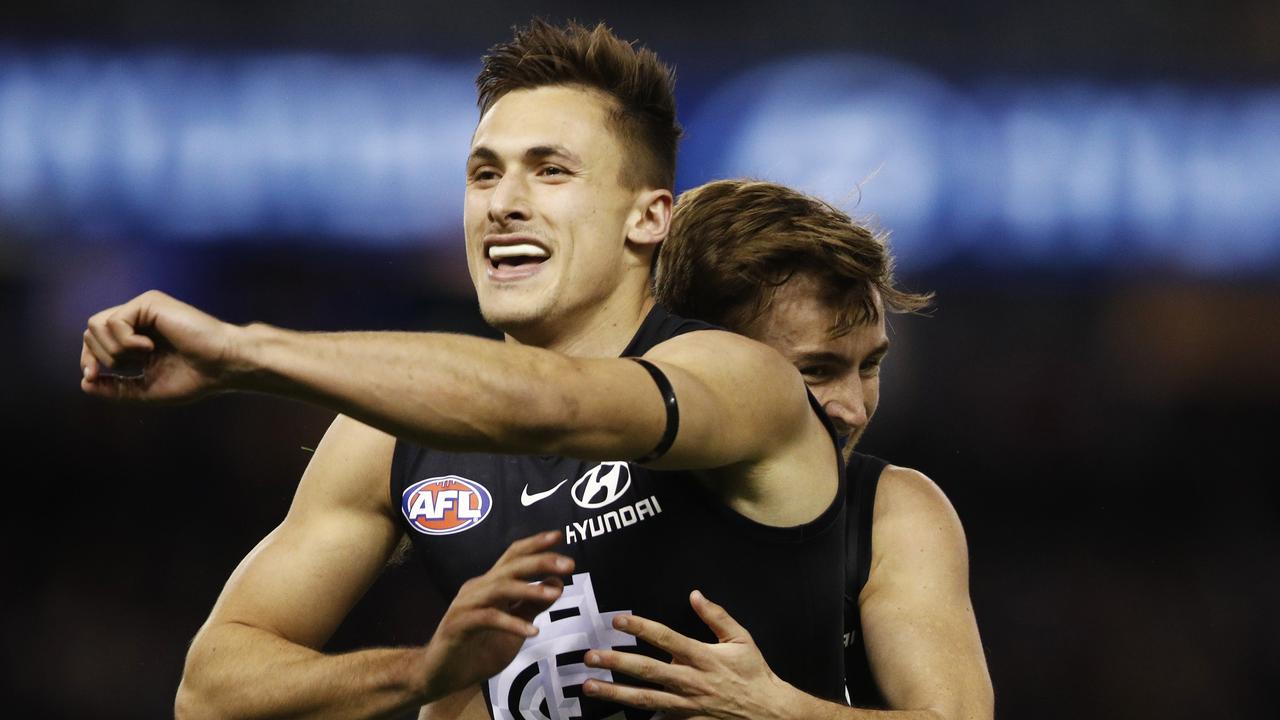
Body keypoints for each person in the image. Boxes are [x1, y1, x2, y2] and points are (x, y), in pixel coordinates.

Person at [80, 21, 850, 720]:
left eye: (551, 172)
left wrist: (243, 354)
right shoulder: (387, 444)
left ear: (648, 217)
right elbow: (210, 692)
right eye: (484, 174)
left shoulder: (740, 377)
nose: (503, 204)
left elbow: (551, 407)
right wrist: (422, 672)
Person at [573, 180, 994, 719]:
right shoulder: (560, 500)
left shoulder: (891, 512)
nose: (854, 409)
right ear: (705, 355)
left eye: (869, 366)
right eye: (816, 370)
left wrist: (772, 709)